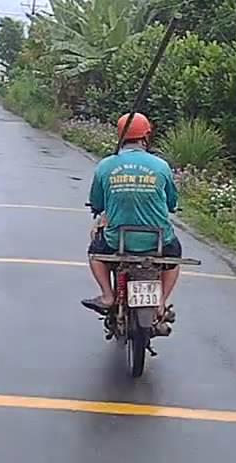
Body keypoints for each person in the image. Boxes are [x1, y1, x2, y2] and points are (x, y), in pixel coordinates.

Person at [82, 112, 180, 327]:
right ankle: (161, 303)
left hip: (117, 240)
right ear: (146, 137)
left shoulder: (106, 165)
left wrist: (99, 209)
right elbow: (172, 202)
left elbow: (97, 202)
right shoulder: (161, 166)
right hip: (158, 241)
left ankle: (107, 295)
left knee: (95, 252)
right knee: (174, 257)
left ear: (121, 136)